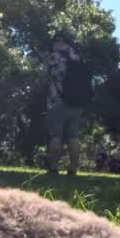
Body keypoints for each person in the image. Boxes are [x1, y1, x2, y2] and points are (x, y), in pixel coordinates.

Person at [45, 32, 89, 175]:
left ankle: (54, 167)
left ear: (59, 43)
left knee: (56, 135)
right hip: (78, 103)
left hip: (57, 101)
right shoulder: (78, 58)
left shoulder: (55, 57)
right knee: (73, 136)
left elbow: (51, 76)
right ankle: (73, 168)